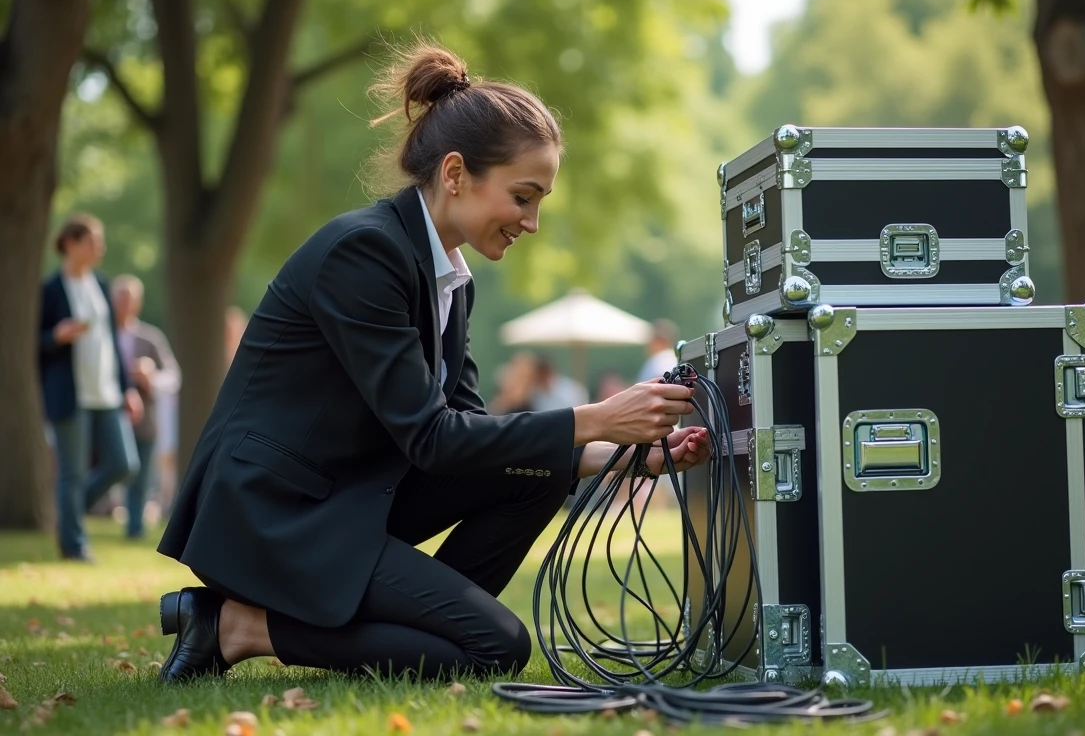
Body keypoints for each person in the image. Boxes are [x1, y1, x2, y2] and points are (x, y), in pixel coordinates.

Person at [154, 40, 711, 685]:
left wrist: (624, 456)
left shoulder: (448, 278)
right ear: (454, 174)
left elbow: (474, 433)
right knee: (496, 648)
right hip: (274, 514)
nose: (532, 222)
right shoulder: (364, 253)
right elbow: (432, 438)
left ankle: (407, 630)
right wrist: (597, 418)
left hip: (345, 499)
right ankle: (237, 628)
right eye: (523, 196)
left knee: (537, 472)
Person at [39, 214, 143, 562]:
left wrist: (128, 389)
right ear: (70, 244)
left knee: (124, 463)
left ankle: (68, 512)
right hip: (71, 395)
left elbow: (112, 343)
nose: (100, 248)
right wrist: (57, 336)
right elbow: (35, 341)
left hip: (107, 392)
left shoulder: (101, 284)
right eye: (92, 242)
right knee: (72, 472)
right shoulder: (51, 290)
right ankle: (74, 546)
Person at [112, 274, 182, 539]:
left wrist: (150, 377)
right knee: (118, 466)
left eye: (129, 298)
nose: (124, 303)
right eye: (120, 297)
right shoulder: (104, 336)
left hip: (145, 417)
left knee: (141, 475)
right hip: (110, 413)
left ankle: (135, 529)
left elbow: (173, 376)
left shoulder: (150, 338)